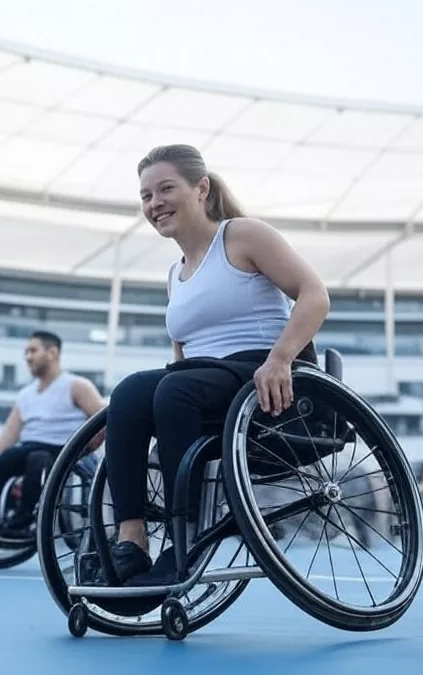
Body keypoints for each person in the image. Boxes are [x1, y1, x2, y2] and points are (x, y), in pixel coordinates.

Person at [101, 144, 331, 586]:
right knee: (130, 393)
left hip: (263, 374)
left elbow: (314, 293)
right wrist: (123, 421)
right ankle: (130, 539)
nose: (155, 203)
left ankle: (185, 536)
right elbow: (180, 360)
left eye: (166, 189)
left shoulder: (242, 235)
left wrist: (281, 358)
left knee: (175, 391)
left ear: (201, 188)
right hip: (201, 381)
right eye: (146, 196)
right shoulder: (175, 274)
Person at [0, 330, 105, 538]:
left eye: (33, 351)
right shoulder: (25, 394)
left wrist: (87, 448)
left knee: (36, 458)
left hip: (62, 450)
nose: (27, 357)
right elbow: (8, 434)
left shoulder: (77, 386)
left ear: (52, 352)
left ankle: (27, 517)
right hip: (30, 447)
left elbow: (103, 421)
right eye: (26, 352)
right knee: (3, 462)